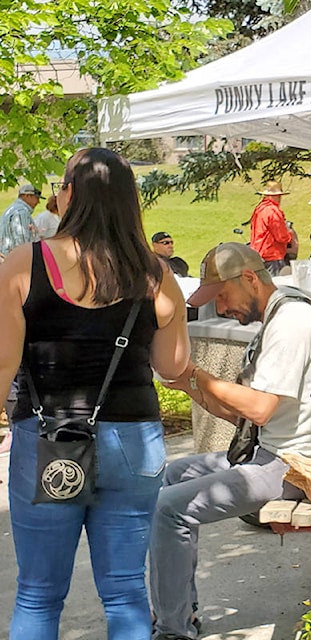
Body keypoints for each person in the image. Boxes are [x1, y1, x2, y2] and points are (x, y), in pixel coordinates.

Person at [0, 147, 191, 639]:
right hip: (132, 440)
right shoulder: (156, 273)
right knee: (126, 590)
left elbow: (1, 363)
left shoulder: (24, 264)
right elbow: (172, 367)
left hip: (48, 439)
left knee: (38, 595)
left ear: (69, 196)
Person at [150, 242, 311, 640]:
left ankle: (172, 630)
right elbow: (241, 417)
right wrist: (185, 383)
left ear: (250, 278)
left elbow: (260, 409)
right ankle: (182, 611)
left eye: (223, 296)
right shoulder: (279, 313)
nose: (220, 308)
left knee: (169, 509)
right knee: (168, 479)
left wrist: (197, 374)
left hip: (296, 465)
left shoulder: (293, 322)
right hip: (269, 451)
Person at [249, 180, 293, 276]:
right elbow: (281, 236)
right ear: (276, 196)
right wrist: (290, 235)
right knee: (276, 287)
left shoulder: (259, 209)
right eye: (279, 196)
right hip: (272, 256)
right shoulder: (273, 211)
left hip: (259, 255)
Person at [0, 184, 42, 257]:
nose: (38, 202)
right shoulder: (21, 213)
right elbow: (22, 244)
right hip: (15, 261)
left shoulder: (13, 209)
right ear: (27, 196)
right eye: (37, 198)